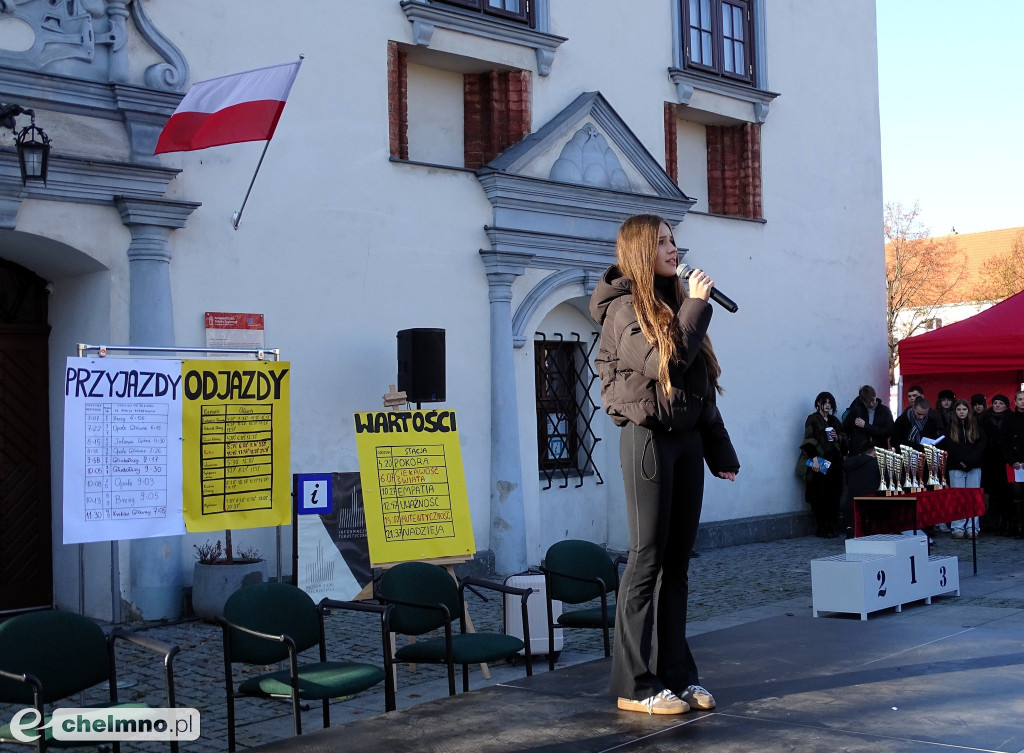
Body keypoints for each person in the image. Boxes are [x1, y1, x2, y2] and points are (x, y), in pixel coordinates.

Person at [590, 214, 739, 716]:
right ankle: (634, 684)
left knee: (677, 564)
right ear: (639, 251)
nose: (673, 248)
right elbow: (666, 363)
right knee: (646, 558)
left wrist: (719, 450)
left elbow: (699, 385)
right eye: (661, 242)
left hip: (688, 442)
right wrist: (697, 305)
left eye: (673, 239)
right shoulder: (623, 310)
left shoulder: (677, 306)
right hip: (648, 439)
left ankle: (677, 674)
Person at [800, 392, 847, 538]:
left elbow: (844, 439)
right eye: (824, 402)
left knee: (835, 493)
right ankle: (822, 527)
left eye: (829, 403)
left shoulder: (834, 420)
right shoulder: (813, 419)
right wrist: (814, 459)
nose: (827, 405)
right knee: (820, 494)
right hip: (821, 460)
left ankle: (832, 526)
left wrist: (837, 437)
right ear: (818, 403)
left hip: (835, 461)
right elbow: (809, 440)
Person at [941, 398, 985, 538]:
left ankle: (973, 527)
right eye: (959, 409)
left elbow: (981, 445)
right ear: (955, 411)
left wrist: (970, 461)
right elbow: (949, 446)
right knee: (957, 497)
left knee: (973, 497)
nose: (961, 412)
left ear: (968, 411)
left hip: (974, 466)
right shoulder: (950, 428)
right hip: (956, 466)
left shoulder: (976, 427)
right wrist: (961, 460)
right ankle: (958, 527)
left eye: (964, 409)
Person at [980, 394, 1011, 533]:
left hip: (1005, 460)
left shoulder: (1010, 418)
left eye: (1001, 403)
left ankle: (1005, 522)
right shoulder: (985, 418)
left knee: (1005, 492)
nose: (997, 405)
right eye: (995, 402)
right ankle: (990, 523)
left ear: (1006, 405)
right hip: (988, 460)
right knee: (989, 492)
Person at [999, 390, 1024, 539]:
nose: (1023, 401)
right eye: (1020, 399)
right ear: (1015, 402)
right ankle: (1019, 527)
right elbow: (1004, 442)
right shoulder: (1009, 419)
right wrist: (1011, 460)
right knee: (1017, 495)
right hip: (1013, 463)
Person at [842, 384, 893, 456]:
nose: (871, 404)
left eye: (873, 400)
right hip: (859, 453)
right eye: (868, 402)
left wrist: (866, 426)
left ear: (875, 396)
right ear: (862, 401)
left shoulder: (884, 411)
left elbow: (888, 432)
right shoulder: (856, 411)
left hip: (878, 452)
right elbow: (845, 431)